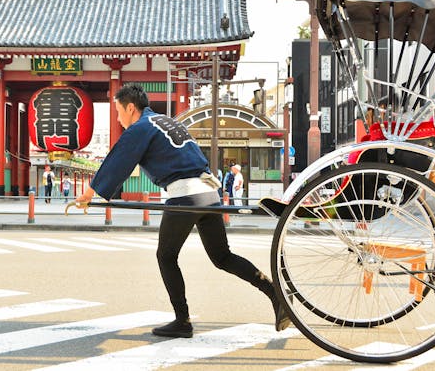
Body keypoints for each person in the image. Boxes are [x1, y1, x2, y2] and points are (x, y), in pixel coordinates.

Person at [75, 84, 289, 339]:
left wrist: (89, 194)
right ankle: (274, 293)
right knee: (222, 257)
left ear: (131, 108)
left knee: (166, 256)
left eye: (118, 111)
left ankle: (182, 320)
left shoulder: (141, 127)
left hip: (185, 194)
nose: (118, 118)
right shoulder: (166, 122)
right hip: (209, 193)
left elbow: (119, 160)